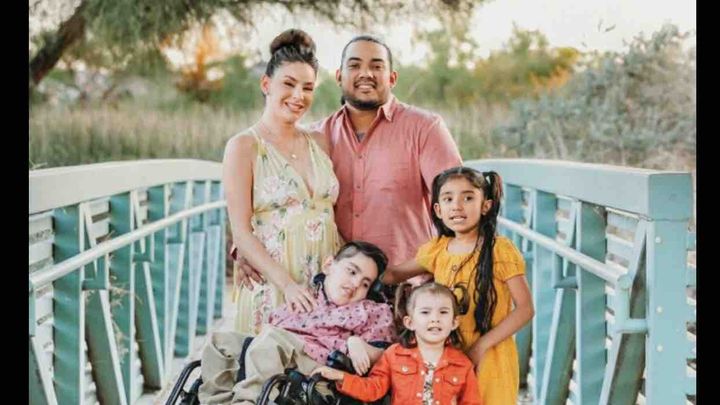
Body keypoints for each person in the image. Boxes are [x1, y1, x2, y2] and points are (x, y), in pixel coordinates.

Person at [236, 35, 463, 289]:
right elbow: (286, 199)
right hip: (336, 293)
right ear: (339, 77)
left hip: (408, 290)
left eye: (376, 66)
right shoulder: (316, 139)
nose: (365, 73)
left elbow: (463, 212)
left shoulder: (425, 129)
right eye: (354, 65)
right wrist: (243, 247)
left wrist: (395, 274)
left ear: (392, 78)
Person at [222, 29, 342, 334]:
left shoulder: (319, 142)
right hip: (275, 286)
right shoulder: (244, 146)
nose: (299, 96)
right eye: (289, 84)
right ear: (266, 84)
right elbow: (241, 231)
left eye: (308, 87)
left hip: (324, 285)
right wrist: (287, 285)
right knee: (267, 362)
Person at [381, 167, 535, 404]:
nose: (457, 206)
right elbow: (393, 275)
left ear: (485, 205)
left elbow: (525, 309)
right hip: (447, 354)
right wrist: (348, 270)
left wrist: (481, 346)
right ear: (438, 210)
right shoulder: (438, 249)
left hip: (491, 356)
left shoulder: (500, 250)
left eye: (468, 198)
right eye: (448, 199)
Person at [199, 241, 396, 404]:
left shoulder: (370, 310)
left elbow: (386, 355)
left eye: (365, 284)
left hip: (318, 363)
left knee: (271, 339)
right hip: (277, 348)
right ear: (329, 265)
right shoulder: (306, 295)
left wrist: (358, 344)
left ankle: (248, 400)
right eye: (352, 272)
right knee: (220, 342)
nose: (355, 284)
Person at [314, 282, 481, 405]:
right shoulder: (394, 354)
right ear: (410, 322)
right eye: (425, 312)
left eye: (443, 312)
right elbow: (373, 388)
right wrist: (341, 377)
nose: (435, 318)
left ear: (454, 322)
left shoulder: (463, 364)